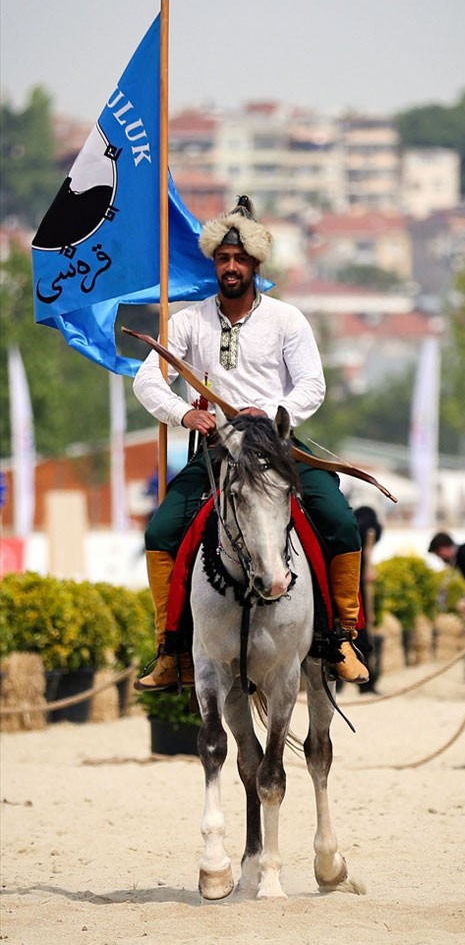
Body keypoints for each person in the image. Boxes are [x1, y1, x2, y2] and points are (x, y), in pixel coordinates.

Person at [132, 195, 369, 692]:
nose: (232, 266)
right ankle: (171, 649)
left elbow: (312, 385)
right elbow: (147, 381)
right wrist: (183, 412)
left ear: (256, 265)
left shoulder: (287, 319)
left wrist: (276, 414)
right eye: (224, 259)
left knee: (341, 522)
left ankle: (342, 638)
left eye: (241, 259)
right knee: (160, 532)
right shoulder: (187, 322)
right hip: (219, 451)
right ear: (214, 264)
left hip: (278, 448)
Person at [353, 505, 383, 695]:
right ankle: (366, 682)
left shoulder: (352, 530)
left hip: (353, 587)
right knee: (361, 633)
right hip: (357, 592)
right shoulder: (371, 530)